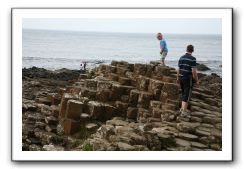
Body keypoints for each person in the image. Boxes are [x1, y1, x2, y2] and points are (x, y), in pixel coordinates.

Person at [177, 45, 199, 118]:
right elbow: (193, 71)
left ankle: (182, 109)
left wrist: (177, 78)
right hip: (188, 78)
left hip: (181, 77)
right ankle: (184, 111)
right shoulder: (193, 59)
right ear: (192, 50)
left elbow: (178, 69)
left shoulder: (181, 57)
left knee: (183, 92)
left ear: (186, 49)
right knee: (187, 94)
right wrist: (196, 80)